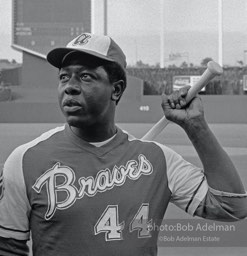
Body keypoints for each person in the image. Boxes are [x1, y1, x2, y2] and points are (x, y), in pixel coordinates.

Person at [0, 32, 246, 256]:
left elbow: (232, 207)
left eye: (85, 76)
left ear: (115, 90)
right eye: (64, 77)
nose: (70, 87)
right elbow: (8, 246)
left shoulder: (158, 160)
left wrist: (196, 127)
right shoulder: (24, 161)